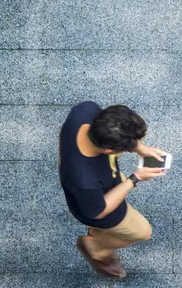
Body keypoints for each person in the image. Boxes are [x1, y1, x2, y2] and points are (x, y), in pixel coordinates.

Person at [59, 102, 166, 278]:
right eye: (125, 148)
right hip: (97, 207)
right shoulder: (84, 179)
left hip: (99, 187)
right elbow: (98, 211)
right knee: (143, 232)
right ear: (108, 149)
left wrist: (140, 148)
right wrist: (135, 178)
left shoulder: (86, 110)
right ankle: (96, 248)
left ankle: (97, 235)